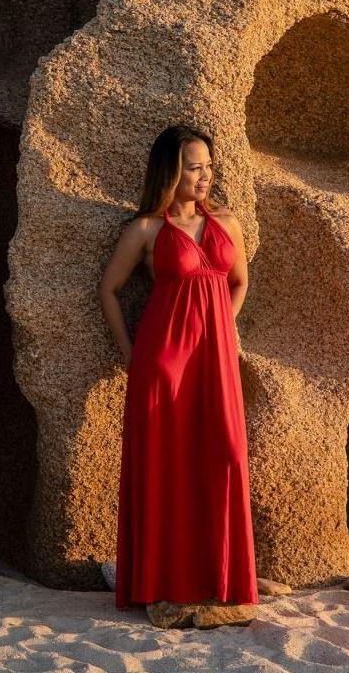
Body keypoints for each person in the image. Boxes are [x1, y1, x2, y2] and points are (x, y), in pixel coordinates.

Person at [98, 124, 258, 627]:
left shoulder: (227, 221)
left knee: (226, 456)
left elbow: (239, 282)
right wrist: (131, 353)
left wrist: (219, 331)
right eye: (194, 166)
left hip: (216, 363)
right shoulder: (146, 230)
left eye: (209, 166)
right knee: (165, 469)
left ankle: (222, 577)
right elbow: (109, 289)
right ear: (171, 170)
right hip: (162, 363)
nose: (205, 175)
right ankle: (158, 582)